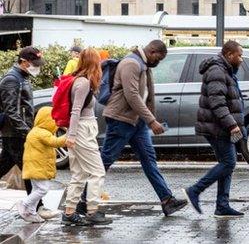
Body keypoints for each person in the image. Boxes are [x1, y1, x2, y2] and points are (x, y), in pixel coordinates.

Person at [85, 40, 187, 216]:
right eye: (159, 58)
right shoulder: (131, 63)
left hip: (136, 121)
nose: (159, 62)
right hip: (121, 119)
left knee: (149, 160)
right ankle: (83, 201)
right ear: (153, 52)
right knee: (105, 161)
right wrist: (151, 121)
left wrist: (148, 119)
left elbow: (145, 95)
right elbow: (131, 95)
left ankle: (167, 200)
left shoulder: (143, 64)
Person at [185, 40, 246, 218]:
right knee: (229, 163)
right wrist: (232, 124)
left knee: (227, 165)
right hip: (217, 127)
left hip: (221, 126)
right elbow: (217, 102)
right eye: (239, 55)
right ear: (229, 55)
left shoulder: (226, 70)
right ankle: (195, 191)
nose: (241, 59)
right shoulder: (217, 71)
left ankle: (222, 205)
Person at [0, 47, 57, 220]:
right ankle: (35, 208)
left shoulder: (22, 77)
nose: (37, 67)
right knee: (30, 170)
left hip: (17, 132)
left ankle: (36, 207)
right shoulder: (12, 79)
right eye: (34, 64)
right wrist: (28, 132)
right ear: (24, 62)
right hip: (15, 133)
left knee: (6, 166)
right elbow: (11, 111)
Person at [62, 48, 111, 226]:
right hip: (82, 131)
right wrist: (72, 135)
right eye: (98, 61)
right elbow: (76, 110)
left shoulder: (80, 80)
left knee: (79, 174)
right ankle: (92, 211)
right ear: (93, 63)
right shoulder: (83, 83)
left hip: (79, 130)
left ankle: (69, 213)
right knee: (97, 171)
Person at [15, 107, 66, 223]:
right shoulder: (41, 133)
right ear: (47, 120)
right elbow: (56, 142)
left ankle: (32, 212)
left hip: (35, 166)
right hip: (37, 167)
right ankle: (24, 203)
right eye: (54, 120)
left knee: (36, 189)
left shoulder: (36, 131)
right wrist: (70, 135)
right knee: (43, 189)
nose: (56, 123)